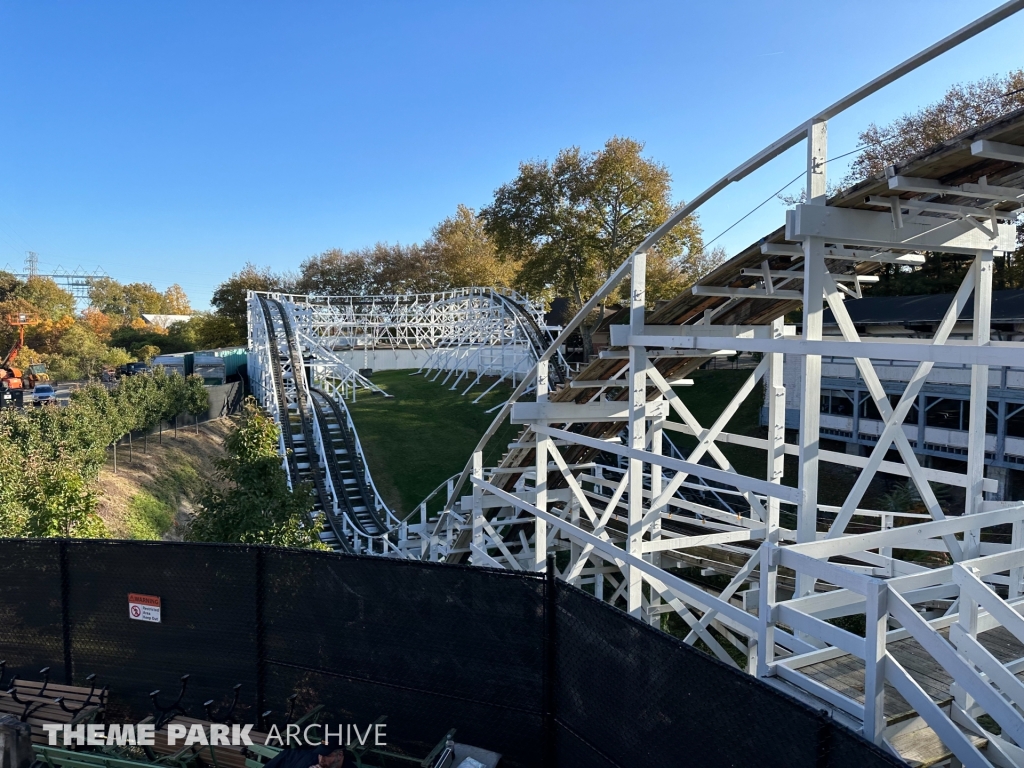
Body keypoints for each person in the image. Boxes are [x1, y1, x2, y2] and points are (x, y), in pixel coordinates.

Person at [261, 733, 347, 768]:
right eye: (320, 754)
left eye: (327, 755)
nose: (321, 759)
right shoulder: (310, 760)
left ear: (339, 755)